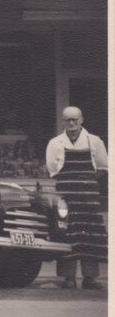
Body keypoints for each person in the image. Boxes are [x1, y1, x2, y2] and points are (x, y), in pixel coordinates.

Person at [45, 106, 108, 290]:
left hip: (89, 196)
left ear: (82, 120)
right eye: (67, 120)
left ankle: (90, 278)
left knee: (90, 234)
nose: (71, 123)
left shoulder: (95, 141)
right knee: (66, 233)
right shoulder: (55, 143)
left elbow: (104, 168)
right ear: (63, 122)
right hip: (65, 196)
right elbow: (52, 170)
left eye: (75, 119)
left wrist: (85, 181)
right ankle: (68, 278)